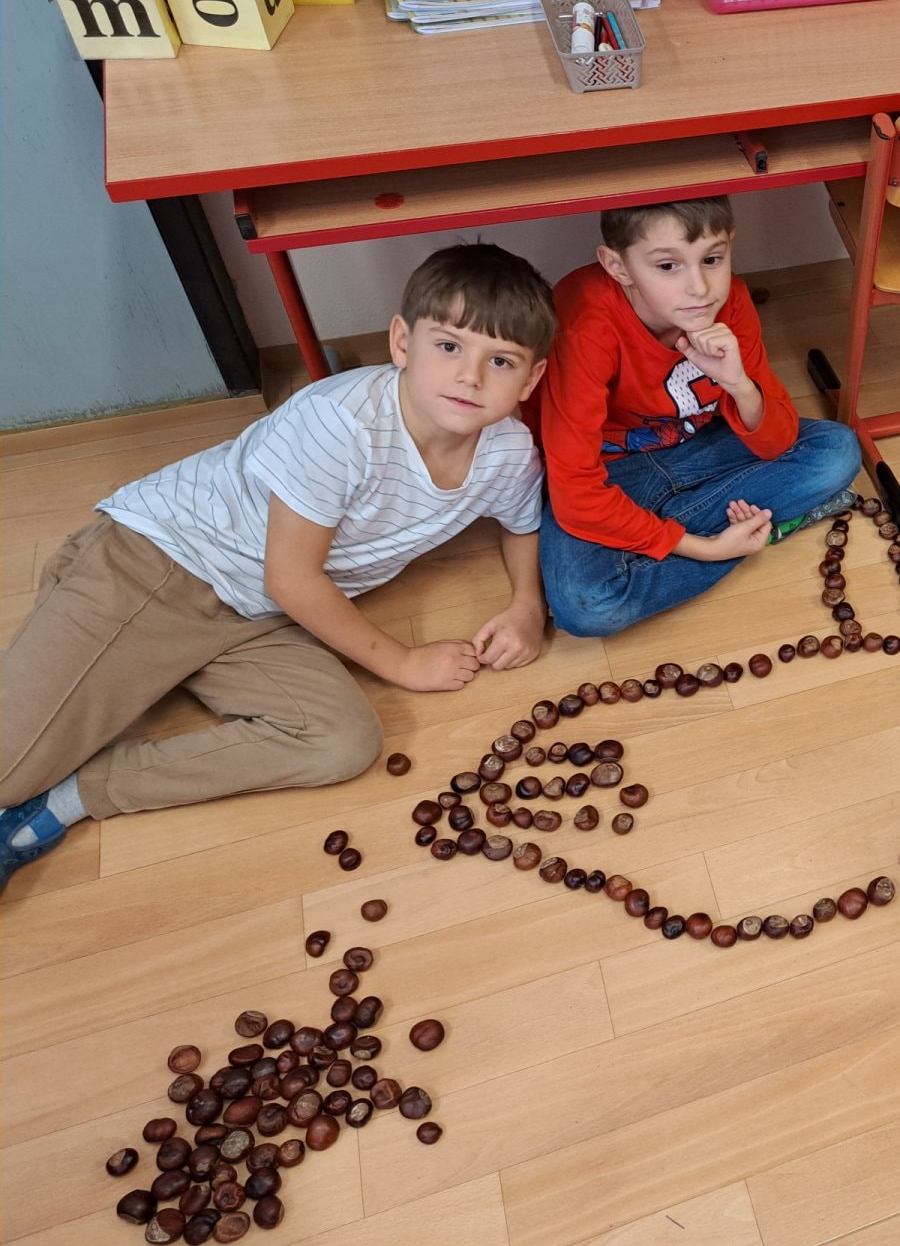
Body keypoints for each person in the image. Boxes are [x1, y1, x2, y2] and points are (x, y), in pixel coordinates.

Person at [0, 244, 556, 891]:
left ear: (531, 379)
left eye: (500, 361)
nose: (471, 377)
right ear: (402, 342)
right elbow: (291, 576)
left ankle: (72, 796)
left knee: (340, 742)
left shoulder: (508, 450)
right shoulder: (339, 422)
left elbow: (522, 522)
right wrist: (403, 663)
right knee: (6, 771)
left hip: (263, 613)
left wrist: (526, 605)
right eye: (450, 346)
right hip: (161, 563)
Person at [534, 197, 862, 637]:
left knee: (837, 449)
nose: (700, 288)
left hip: (702, 447)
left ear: (730, 245)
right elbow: (575, 489)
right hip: (611, 470)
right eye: (668, 266)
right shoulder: (584, 322)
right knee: (590, 608)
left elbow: (779, 440)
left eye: (711, 259)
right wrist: (708, 549)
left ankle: (653, 533)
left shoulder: (733, 301)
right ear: (618, 267)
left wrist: (739, 384)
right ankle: (739, 534)